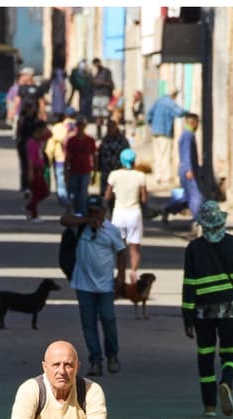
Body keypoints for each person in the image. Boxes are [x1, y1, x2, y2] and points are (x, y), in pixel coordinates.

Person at [181, 201, 233, 417]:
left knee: (206, 356)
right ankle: (227, 382)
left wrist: (188, 317)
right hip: (229, 309)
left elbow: (190, 285)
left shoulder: (194, 248)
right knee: (231, 352)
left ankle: (210, 406)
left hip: (203, 312)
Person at [61, 195, 127, 376]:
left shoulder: (111, 230)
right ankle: (95, 360)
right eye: (91, 212)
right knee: (88, 324)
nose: (94, 215)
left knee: (108, 319)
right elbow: (63, 220)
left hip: (105, 285)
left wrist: (120, 275)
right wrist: (85, 219)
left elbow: (122, 252)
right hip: (83, 284)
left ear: (104, 212)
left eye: (97, 212)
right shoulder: (79, 226)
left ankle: (112, 355)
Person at [103, 148, 147, 281]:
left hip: (119, 214)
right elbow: (144, 199)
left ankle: (120, 274)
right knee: (134, 248)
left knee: (119, 248)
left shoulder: (114, 175)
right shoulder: (140, 176)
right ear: (134, 161)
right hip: (134, 213)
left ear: (121, 161)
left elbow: (107, 196)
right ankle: (133, 272)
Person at [160, 113, 203, 223]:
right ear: (193, 122)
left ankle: (168, 209)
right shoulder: (188, 135)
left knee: (188, 197)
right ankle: (197, 221)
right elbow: (186, 153)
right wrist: (189, 169)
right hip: (187, 170)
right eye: (197, 122)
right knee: (196, 197)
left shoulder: (187, 134)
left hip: (186, 169)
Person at [6, 68, 43, 194]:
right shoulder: (22, 119)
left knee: (33, 163)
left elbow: (41, 102)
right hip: (23, 142)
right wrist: (11, 112)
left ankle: (33, 184)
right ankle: (25, 185)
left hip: (32, 142)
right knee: (24, 164)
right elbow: (17, 101)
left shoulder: (37, 90)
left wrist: (43, 115)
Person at [146, 86, 185, 185]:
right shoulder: (170, 103)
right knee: (165, 155)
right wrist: (188, 113)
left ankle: (158, 176)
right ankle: (165, 177)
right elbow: (179, 113)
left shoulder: (159, 101)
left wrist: (153, 125)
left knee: (157, 155)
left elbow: (149, 115)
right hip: (165, 132)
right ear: (174, 95)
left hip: (155, 132)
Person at [63, 116, 97, 215]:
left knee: (83, 192)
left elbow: (94, 156)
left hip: (86, 170)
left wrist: (95, 171)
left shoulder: (90, 140)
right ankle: (73, 210)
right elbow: (67, 158)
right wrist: (66, 172)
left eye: (82, 125)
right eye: (79, 125)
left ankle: (82, 212)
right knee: (73, 192)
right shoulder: (71, 140)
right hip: (73, 170)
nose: (80, 127)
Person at [46, 109, 77, 209]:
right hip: (73, 159)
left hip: (60, 158)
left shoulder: (58, 127)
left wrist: (49, 156)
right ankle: (70, 197)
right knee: (71, 178)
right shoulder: (77, 127)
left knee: (60, 179)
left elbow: (51, 143)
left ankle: (63, 197)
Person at [95, 119, 130, 196]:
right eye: (108, 127)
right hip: (106, 171)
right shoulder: (105, 139)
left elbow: (127, 153)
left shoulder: (122, 139)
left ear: (116, 127)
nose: (110, 128)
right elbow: (100, 153)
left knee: (118, 192)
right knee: (105, 193)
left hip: (118, 169)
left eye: (111, 126)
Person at [25, 122, 51, 223]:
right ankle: (33, 214)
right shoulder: (31, 143)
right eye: (43, 129)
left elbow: (50, 134)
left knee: (45, 192)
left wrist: (45, 128)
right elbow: (30, 159)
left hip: (41, 169)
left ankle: (30, 206)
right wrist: (30, 171)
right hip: (35, 170)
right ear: (38, 130)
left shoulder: (39, 141)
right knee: (36, 193)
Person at [90, 58, 115, 138]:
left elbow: (111, 84)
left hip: (104, 96)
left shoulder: (106, 72)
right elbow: (90, 85)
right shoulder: (93, 73)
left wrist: (102, 83)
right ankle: (99, 134)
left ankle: (109, 133)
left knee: (106, 115)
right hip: (96, 96)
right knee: (97, 116)